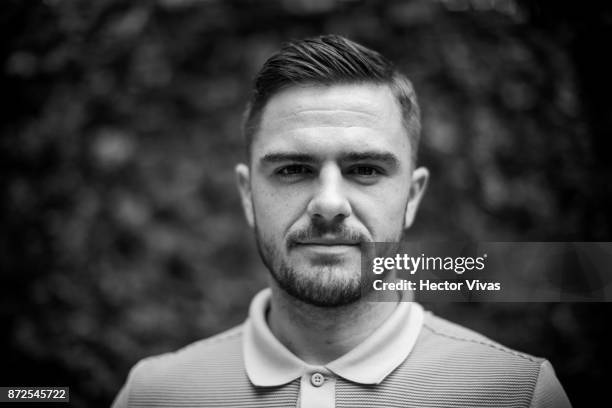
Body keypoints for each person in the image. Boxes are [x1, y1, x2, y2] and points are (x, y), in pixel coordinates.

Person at [111, 34, 571, 408]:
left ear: (412, 196)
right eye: (293, 169)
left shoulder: (517, 392)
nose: (329, 204)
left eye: (365, 170)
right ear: (248, 194)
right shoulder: (154, 394)